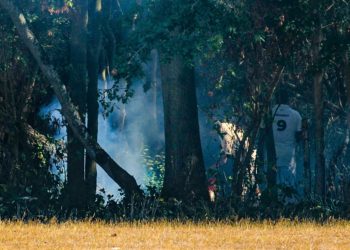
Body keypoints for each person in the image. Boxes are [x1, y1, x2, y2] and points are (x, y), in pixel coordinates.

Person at [272, 89, 302, 196]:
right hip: (289, 156)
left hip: (273, 154)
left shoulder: (270, 113)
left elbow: (263, 134)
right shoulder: (296, 115)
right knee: (289, 186)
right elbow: (298, 137)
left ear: (275, 98)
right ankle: (288, 209)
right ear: (288, 99)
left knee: (273, 184)